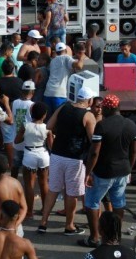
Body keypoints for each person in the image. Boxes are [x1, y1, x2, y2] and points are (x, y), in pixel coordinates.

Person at [82, 95, 136, 248]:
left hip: (104, 171)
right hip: (123, 170)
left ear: (107, 108)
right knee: (118, 202)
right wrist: (129, 169)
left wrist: (88, 173)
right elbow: (134, 151)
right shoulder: (131, 125)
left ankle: (94, 237)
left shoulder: (102, 126)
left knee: (92, 203)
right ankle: (115, 237)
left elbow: (94, 153)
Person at [39, 87, 95, 234]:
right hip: (75, 158)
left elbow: (49, 126)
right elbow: (94, 139)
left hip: (57, 154)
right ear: (89, 101)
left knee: (53, 189)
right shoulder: (88, 115)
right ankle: (69, 225)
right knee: (72, 193)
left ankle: (43, 222)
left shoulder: (63, 107)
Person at [43, 42, 82, 113]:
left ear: (56, 52)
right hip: (59, 94)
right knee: (59, 118)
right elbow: (79, 66)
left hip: (48, 93)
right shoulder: (66, 58)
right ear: (66, 51)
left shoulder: (53, 61)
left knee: (48, 119)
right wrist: (81, 57)